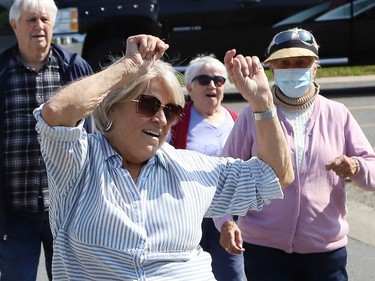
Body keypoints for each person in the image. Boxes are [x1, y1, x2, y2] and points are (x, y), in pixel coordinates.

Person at [33, 34, 294, 280]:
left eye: (171, 111)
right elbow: (56, 112)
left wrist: (262, 102)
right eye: (149, 104)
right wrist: (126, 68)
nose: (160, 119)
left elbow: (276, 175)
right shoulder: (78, 162)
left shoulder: (188, 166)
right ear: (112, 108)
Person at [214, 27, 375, 281]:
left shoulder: (337, 114)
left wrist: (355, 166)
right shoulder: (253, 114)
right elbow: (223, 176)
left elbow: (372, 172)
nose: (293, 68)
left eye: (302, 62)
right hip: (265, 251)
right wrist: (225, 221)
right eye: (285, 63)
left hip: (324, 252)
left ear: (315, 67)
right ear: (272, 69)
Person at [0, 0, 94, 280]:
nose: (39, 26)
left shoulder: (74, 70)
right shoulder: (2, 72)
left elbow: (92, 137)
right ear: (15, 25)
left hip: (66, 212)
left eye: (44, 20)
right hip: (14, 214)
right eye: (30, 20)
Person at [169, 55, 244, 281]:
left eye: (218, 80)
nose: (212, 85)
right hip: (188, 215)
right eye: (204, 80)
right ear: (189, 87)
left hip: (230, 215)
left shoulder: (237, 120)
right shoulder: (175, 120)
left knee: (232, 274)